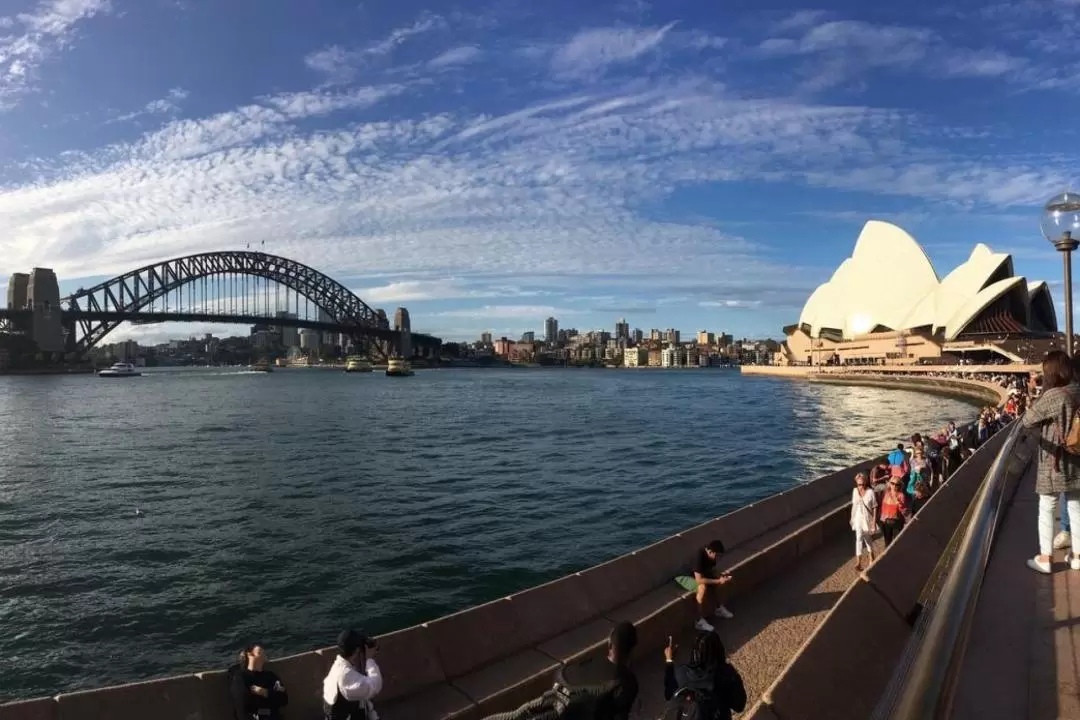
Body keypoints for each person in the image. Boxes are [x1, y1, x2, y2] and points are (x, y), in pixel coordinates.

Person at [479, 622, 639, 720]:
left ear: (610, 645)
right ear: (631, 650)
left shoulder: (595, 660)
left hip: (553, 696)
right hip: (567, 713)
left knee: (515, 714)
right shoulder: (627, 683)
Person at [1023, 351, 1080, 574]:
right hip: (1077, 458)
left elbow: (1028, 419)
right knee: (1076, 507)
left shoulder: (1054, 395)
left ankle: (1045, 558)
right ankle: (1077, 556)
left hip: (1053, 461)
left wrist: (1036, 391)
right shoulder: (1077, 390)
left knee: (1047, 507)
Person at [662, 632, 746, 720]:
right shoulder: (727, 674)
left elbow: (669, 694)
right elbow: (739, 706)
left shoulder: (682, 673)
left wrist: (669, 660)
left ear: (695, 652)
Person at [322, 629, 382, 720]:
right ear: (356, 651)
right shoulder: (345, 675)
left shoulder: (338, 667)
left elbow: (362, 699)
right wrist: (369, 659)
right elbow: (375, 686)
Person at [229, 644, 288, 720]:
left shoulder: (270, 676)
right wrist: (243, 659)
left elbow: (284, 699)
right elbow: (241, 703)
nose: (263, 652)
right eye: (260, 651)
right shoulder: (241, 676)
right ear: (250, 654)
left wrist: (265, 692)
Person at [692, 540, 734, 632]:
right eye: (717, 556)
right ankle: (699, 621)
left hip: (702, 574)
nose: (718, 559)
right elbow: (698, 580)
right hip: (691, 576)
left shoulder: (712, 556)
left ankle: (718, 609)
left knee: (716, 582)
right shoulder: (699, 556)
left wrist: (721, 575)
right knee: (702, 588)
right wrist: (718, 580)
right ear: (710, 552)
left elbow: (711, 571)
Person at [850, 472, 877, 571]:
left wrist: (873, 522)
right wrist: (852, 518)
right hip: (858, 518)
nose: (860, 486)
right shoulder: (855, 491)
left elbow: (874, 507)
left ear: (866, 483)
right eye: (858, 484)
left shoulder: (870, 492)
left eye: (862, 484)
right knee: (858, 538)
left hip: (867, 518)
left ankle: (871, 556)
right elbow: (854, 506)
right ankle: (859, 562)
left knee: (867, 538)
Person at [879, 478, 908, 547]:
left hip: (896, 522)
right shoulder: (887, 493)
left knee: (897, 542)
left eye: (897, 484)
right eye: (892, 483)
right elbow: (883, 507)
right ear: (890, 484)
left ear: (900, 485)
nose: (894, 486)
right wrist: (881, 519)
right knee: (887, 541)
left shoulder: (901, 495)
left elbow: (904, 511)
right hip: (885, 521)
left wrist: (897, 501)